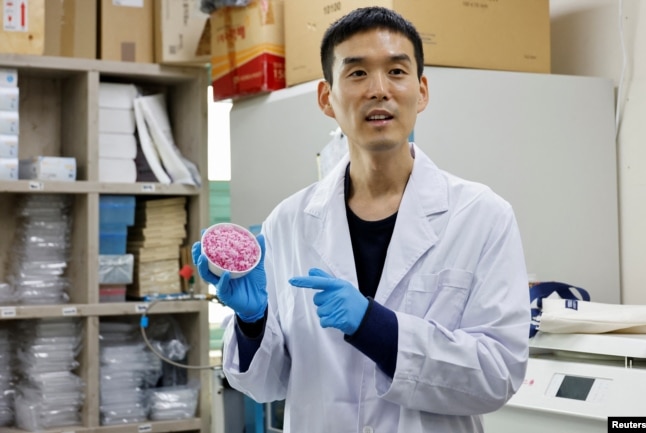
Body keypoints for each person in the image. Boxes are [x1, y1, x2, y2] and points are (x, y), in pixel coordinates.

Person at [193, 6, 530, 433]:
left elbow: (498, 374)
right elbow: (266, 384)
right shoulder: (289, 222)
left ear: (421, 91)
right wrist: (253, 321)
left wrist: (376, 327)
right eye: (356, 74)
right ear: (325, 98)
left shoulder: (482, 216)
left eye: (396, 71)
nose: (379, 90)